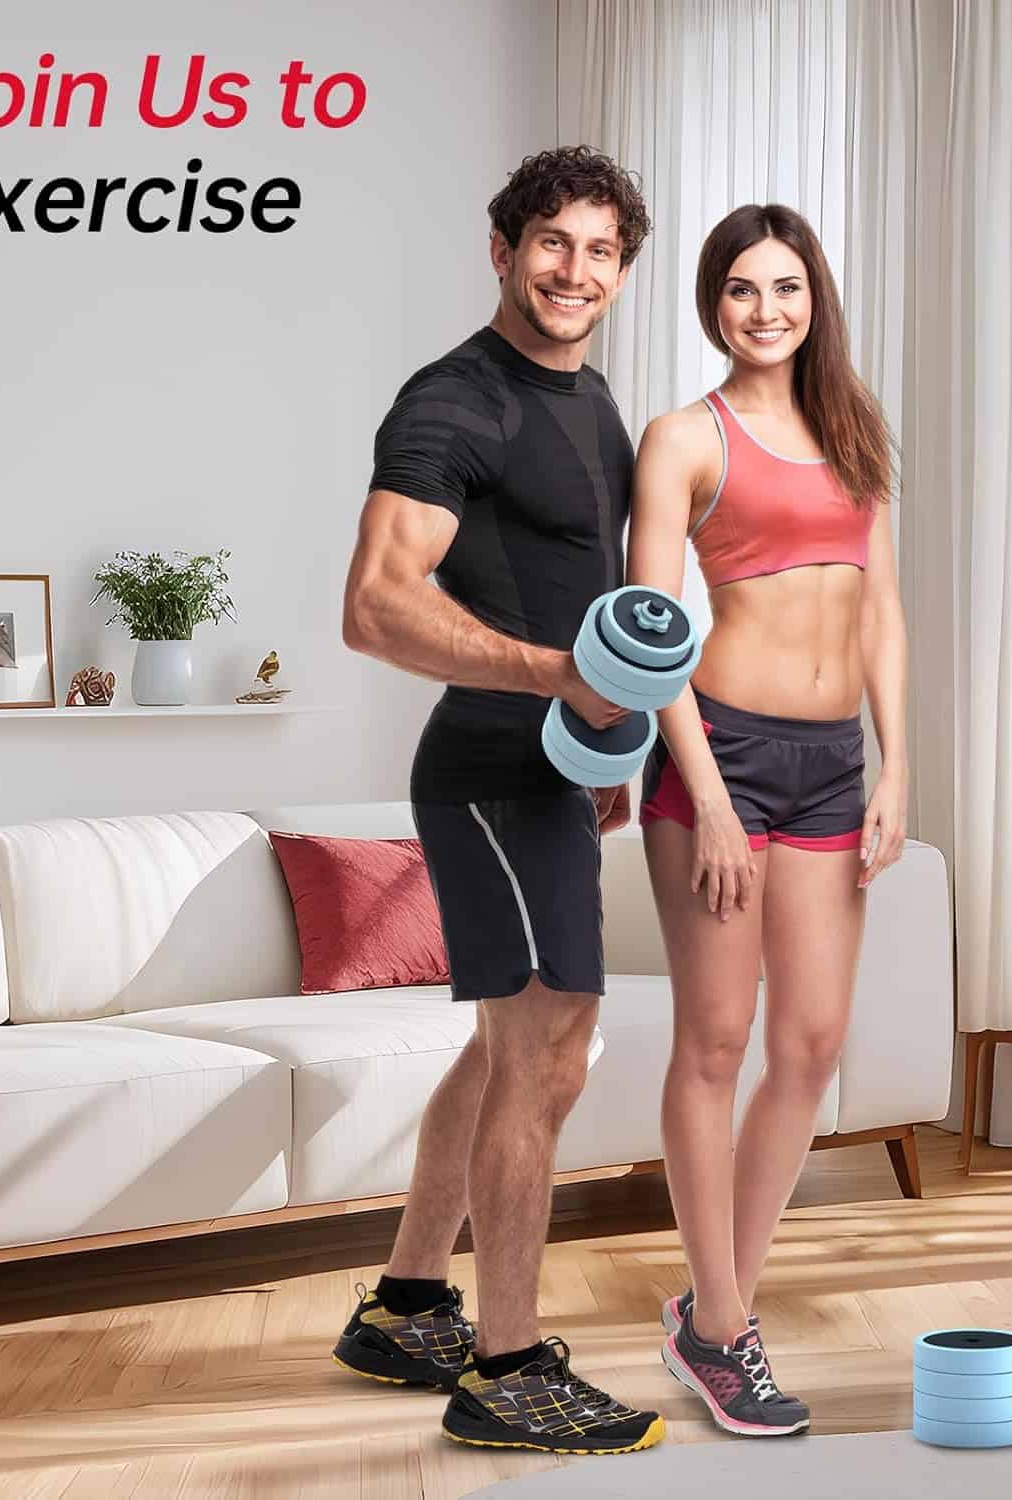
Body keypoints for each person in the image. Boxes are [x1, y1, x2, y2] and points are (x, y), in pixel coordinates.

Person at [335, 146, 665, 1457]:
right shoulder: (451, 404)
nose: (573, 271)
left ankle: (411, 1306)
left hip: (551, 772)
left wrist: (605, 747)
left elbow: (587, 593)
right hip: (486, 765)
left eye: (599, 252)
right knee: (550, 1053)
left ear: (621, 272)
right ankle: (508, 1369)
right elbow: (375, 606)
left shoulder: (592, 407)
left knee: (506, 1050)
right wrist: (558, 684)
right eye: (551, 243)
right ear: (501, 249)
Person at [627, 204, 909, 1436]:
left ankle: (708, 1313)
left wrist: (899, 763)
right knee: (717, 1040)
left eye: (785, 288)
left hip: (833, 765)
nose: (765, 310)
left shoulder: (851, 431)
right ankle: (729, 1325)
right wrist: (714, 801)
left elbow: (880, 612)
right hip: (719, 758)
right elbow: (648, 635)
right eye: (742, 290)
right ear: (712, 303)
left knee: (812, 1043)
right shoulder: (684, 438)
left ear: (814, 298)